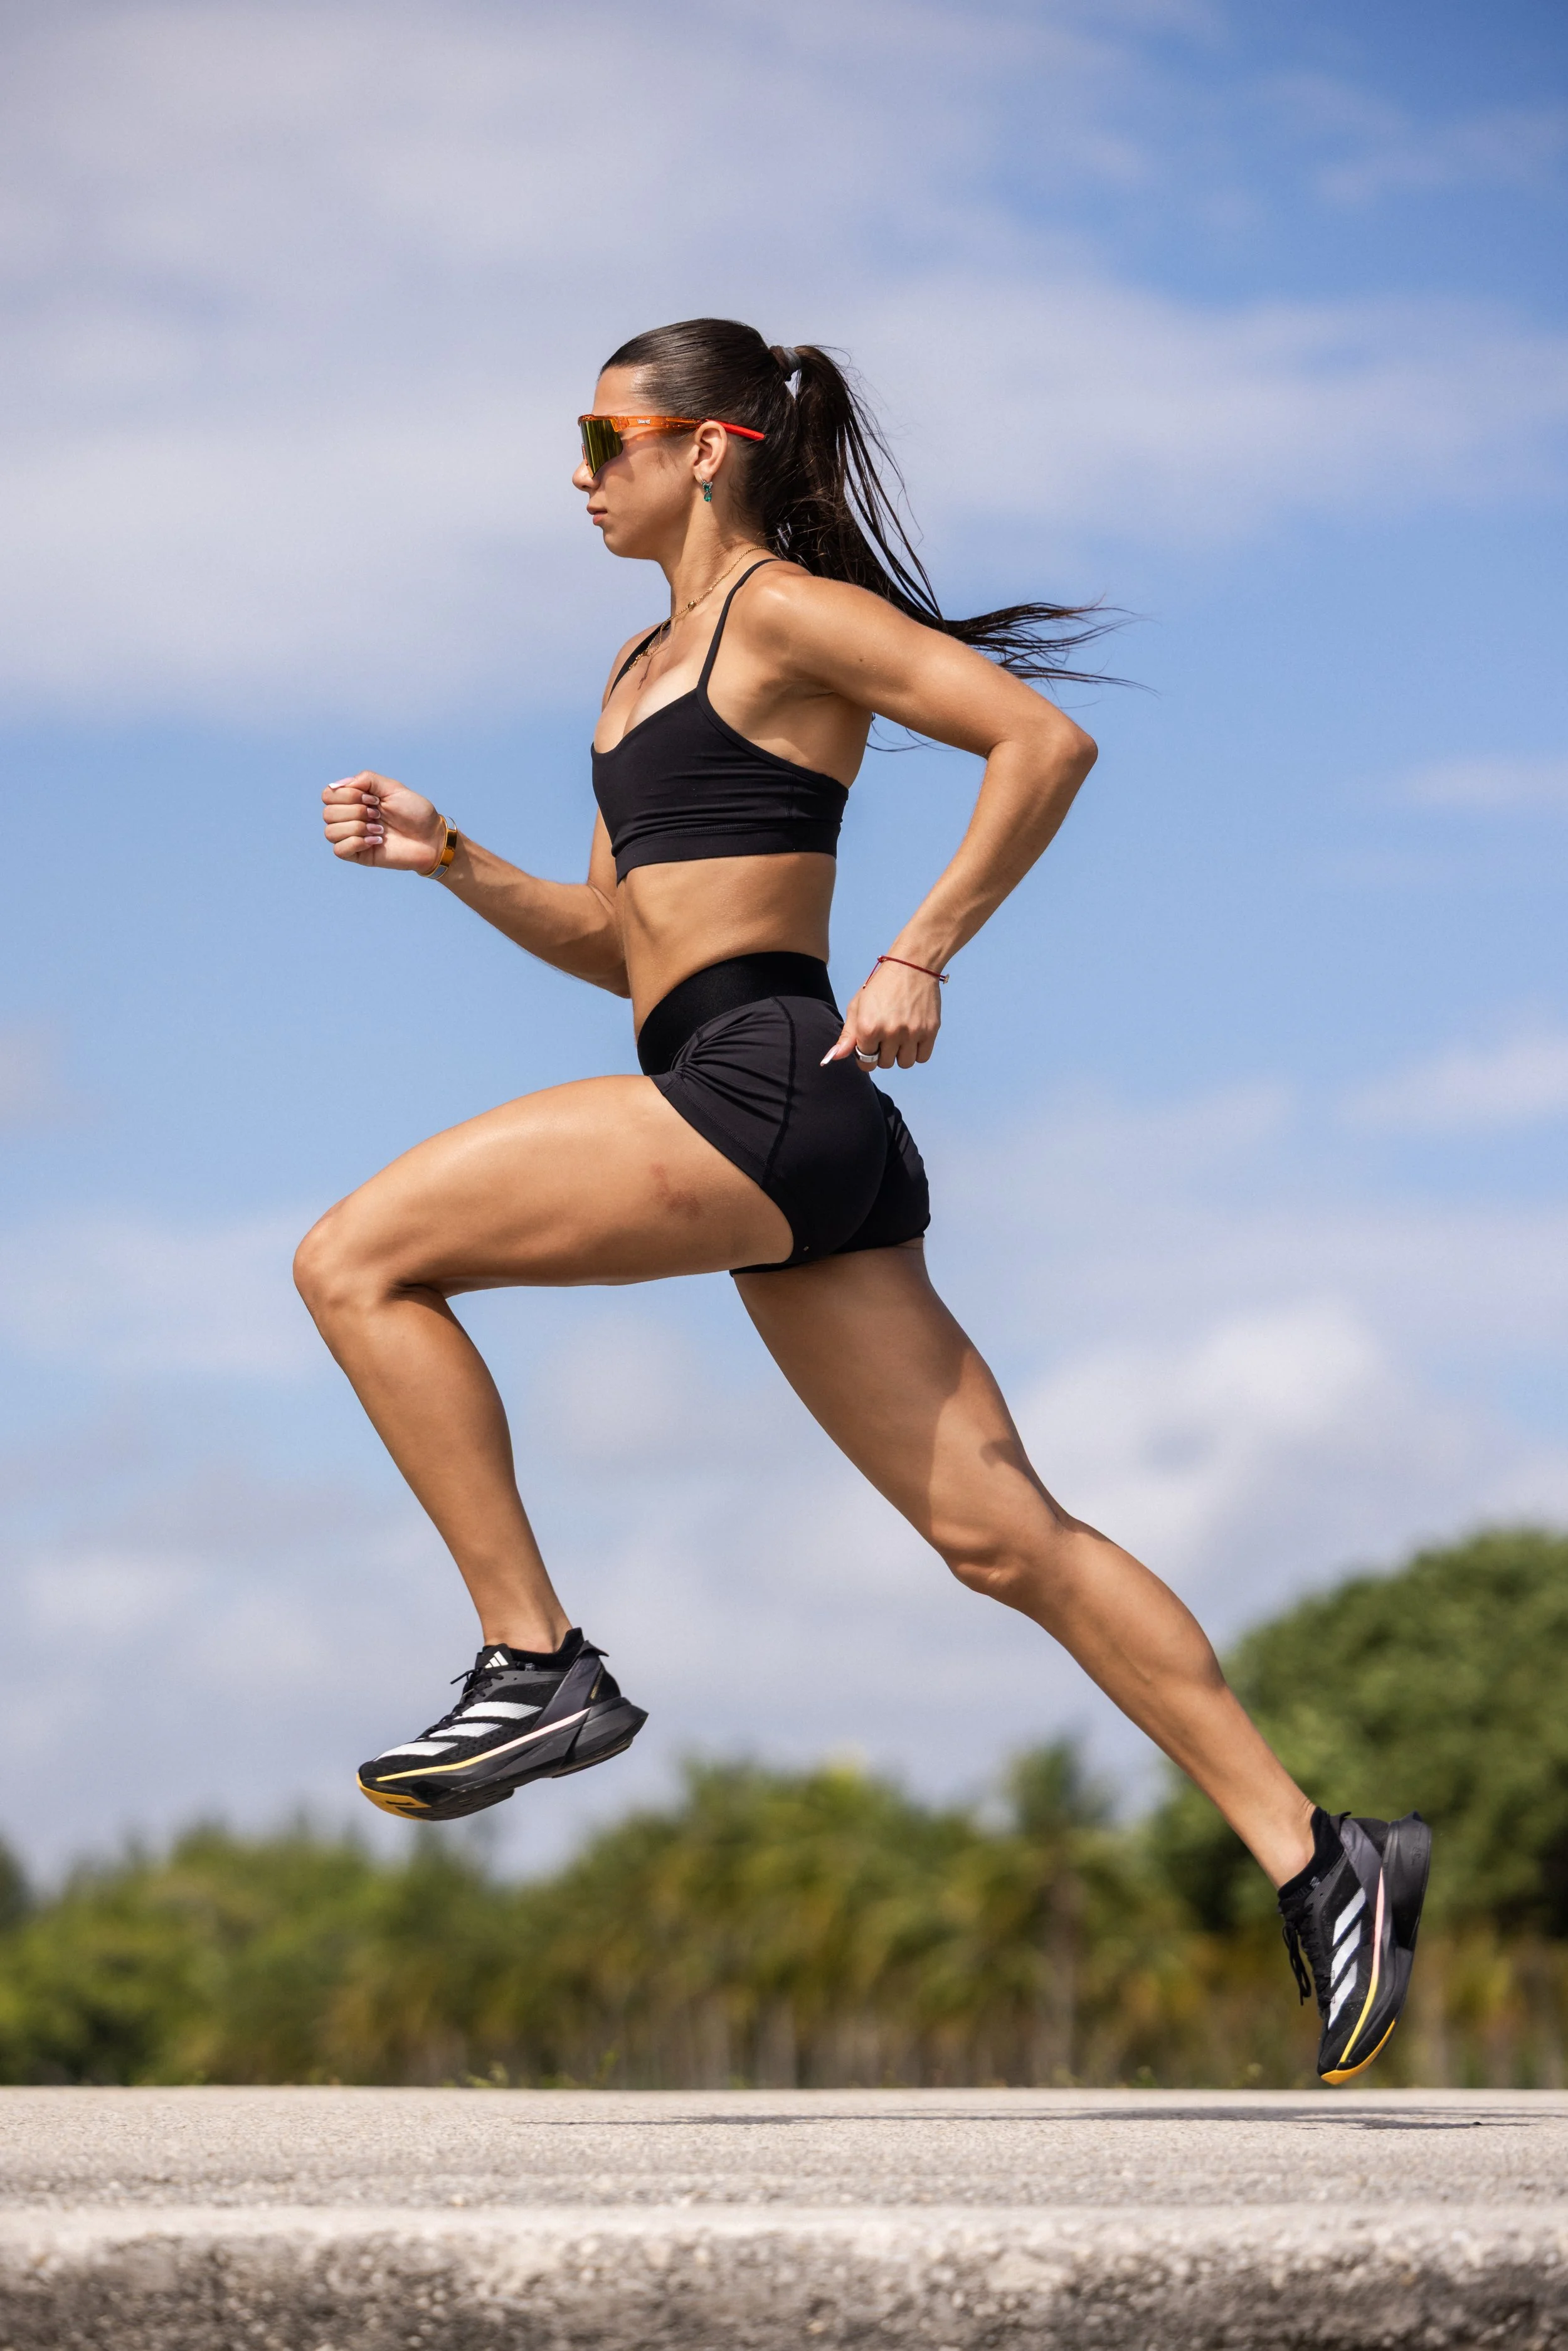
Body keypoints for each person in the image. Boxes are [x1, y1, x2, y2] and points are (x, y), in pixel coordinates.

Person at [296, 317, 1428, 2084]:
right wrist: (457, 864)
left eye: (606, 437)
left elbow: (1037, 744)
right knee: (1003, 1536)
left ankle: (536, 1662)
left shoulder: (784, 617)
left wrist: (921, 948)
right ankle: (1317, 1849)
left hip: (765, 1084)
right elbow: (621, 947)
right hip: (755, 1111)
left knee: (355, 1256)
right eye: (576, 443)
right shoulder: (631, 666)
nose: (580, 475)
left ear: (708, 447)